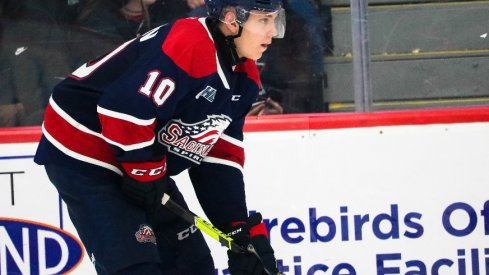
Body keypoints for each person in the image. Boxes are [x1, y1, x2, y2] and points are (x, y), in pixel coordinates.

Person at [34, 0, 286, 273]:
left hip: (138, 152)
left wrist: (237, 228)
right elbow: (122, 109)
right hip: (85, 147)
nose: (273, 31)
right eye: (263, 21)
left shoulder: (245, 78)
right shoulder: (191, 43)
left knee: (193, 266)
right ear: (231, 19)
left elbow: (218, 157)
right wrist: (147, 172)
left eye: (276, 20)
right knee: (137, 266)